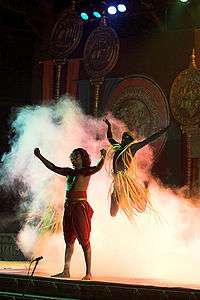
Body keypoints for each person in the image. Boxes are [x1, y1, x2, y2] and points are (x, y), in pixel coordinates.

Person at [34, 147, 106, 280]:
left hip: (80, 208)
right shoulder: (69, 172)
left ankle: (88, 272)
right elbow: (53, 167)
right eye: (73, 157)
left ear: (83, 158)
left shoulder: (86, 171)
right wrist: (40, 156)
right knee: (69, 240)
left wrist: (103, 156)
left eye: (77, 157)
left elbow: (98, 167)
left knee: (84, 240)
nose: (74, 159)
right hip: (68, 208)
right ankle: (66, 270)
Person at [104, 118, 169, 219]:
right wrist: (108, 125)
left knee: (140, 208)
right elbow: (110, 138)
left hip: (125, 182)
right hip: (117, 181)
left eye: (125, 138)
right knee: (113, 213)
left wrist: (162, 132)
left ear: (130, 140)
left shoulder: (132, 148)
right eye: (122, 137)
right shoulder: (117, 147)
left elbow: (148, 140)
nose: (122, 139)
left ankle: (144, 190)